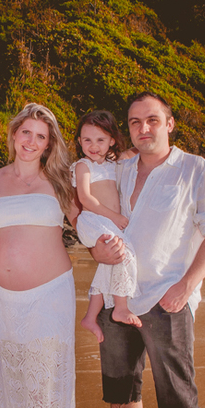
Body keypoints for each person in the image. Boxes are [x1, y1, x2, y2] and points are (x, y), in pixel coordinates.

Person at [84, 92, 205, 408]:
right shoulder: (119, 169)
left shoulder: (195, 169)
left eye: (151, 120)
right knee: (121, 391)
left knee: (180, 398)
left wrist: (187, 285)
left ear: (170, 123)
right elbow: (88, 213)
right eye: (134, 122)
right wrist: (95, 251)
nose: (143, 128)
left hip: (168, 299)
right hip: (118, 296)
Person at [0, 103, 79, 408]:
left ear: (49, 144)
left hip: (50, 294)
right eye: (26, 133)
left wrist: (113, 246)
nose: (31, 142)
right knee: (10, 382)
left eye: (41, 136)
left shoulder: (60, 182)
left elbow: (88, 221)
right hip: (2, 298)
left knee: (47, 384)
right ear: (13, 133)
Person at [71, 110, 139, 342]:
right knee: (123, 254)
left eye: (100, 140)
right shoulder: (83, 166)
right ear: (79, 141)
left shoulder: (113, 164)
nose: (93, 146)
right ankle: (120, 307)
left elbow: (135, 153)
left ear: (111, 140)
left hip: (106, 222)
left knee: (108, 265)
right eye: (87, 140)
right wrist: (115, 217)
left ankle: (91, 316)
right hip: (93, 220)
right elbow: (85, 198)